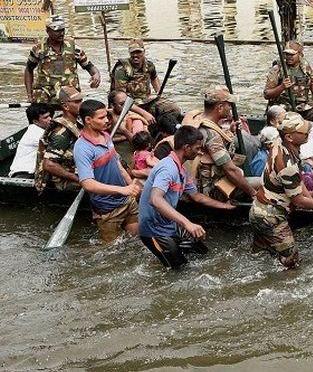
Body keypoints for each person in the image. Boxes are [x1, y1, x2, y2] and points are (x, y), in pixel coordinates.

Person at [139, 125, 236, 269]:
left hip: (169, 224)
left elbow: (197, 196)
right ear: (186, 148)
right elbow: (155, 200)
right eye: (197, 148)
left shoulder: (182, 171)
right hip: (154, 230)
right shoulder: (168, 168)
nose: (200, 152)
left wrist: (226, 206)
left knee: (201, 252)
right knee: (180, 270)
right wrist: (187, 224)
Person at [248, 112, 313, 268]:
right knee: (291, 261)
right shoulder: (287, 165)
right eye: (303, 132)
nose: (308, 133)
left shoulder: (278, 144)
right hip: (271, 217)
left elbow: (298, 182)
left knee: (259, 257)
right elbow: (298, 200)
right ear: (289, 137)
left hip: (259, 210)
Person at [73, 99, 142, 243]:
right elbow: (88, 184)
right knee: (111, 251)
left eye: (106, 116)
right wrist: (121, 190)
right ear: (88, 120)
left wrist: (131, 187)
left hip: (127, 201)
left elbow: (117, 163)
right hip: (107, 209)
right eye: (101, 118)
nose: (106, 120)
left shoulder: (105, 136)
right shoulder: (82, 148)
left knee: (136, 241)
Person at [184, 87, 258, 200]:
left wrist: (230, 131)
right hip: (212, 189)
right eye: (228, 105)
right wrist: (252, 192)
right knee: (263, 183)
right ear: (220, 107)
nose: (230, 108)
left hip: (197, 181)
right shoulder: (211, 134)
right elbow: (230, 170)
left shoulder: (197, 119)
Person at [263, 40, 313, 144]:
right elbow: (267, 94)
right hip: (284, 107)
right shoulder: (278, 68)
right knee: (281, 122)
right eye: (286, 54)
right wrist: (281, 87)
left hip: (303, 106)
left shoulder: (305, 66)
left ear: (300, 54)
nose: (288, 57)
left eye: (292, 54)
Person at [24, 15, 101, 104]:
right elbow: (29, 69)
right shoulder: (39, 49)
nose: (61, 33)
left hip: (69, 94)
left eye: (62, 30)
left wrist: (96, 74)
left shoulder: (74, 48)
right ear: (48, 31)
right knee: (42, 116)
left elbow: (88, 66)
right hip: (45, 95)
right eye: (57, 30)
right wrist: (29, 96)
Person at [111, 38, 181, 119]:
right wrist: (143, 113)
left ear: (144, 51)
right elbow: (122, 101)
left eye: (138, 52)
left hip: (147, 100)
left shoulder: (149, 65)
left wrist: (158, 94)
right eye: (132, 52)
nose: (135, 55)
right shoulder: (122, 70)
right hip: (130, 105)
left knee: (174, 109)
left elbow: (154, 78)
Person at [34, 87, 83, 193]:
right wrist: (78, 179)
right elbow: (49, 165)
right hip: (64, 182)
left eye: (81, 101)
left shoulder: (76, 123)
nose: (81, 104)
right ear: (65, 106)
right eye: (77, 102)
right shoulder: (61, 132)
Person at [9, 102, 53, 178]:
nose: (50, 119)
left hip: (32, 172)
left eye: (50, 116)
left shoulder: (41, 130)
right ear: (35, 121)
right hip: (24, 174)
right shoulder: (35, 133)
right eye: (46, 118)